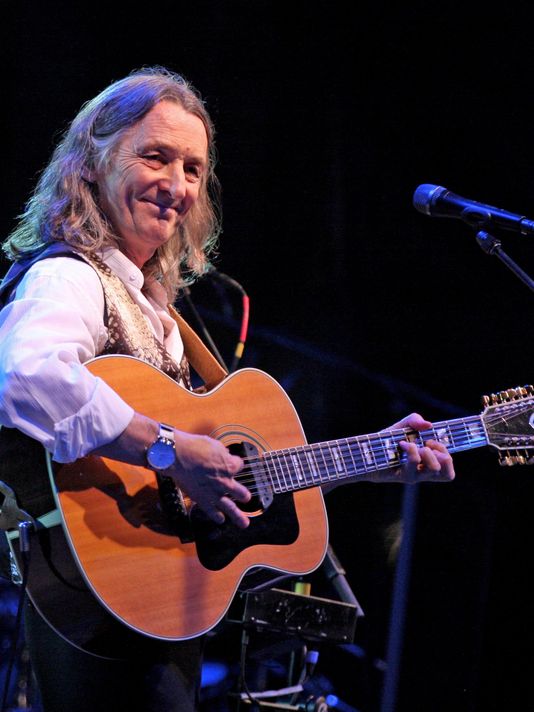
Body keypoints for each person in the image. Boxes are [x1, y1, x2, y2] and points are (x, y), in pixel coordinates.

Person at [0, 66, 454, 712]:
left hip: (154, 612)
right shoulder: (69, 278)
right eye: (155, 156)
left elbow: (235, 477)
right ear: (92, 163)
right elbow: (25, 377)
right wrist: (171, 450)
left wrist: (376, 460)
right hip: (97, 614)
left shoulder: (160, 311)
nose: (177, 185)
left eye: (192, 168)